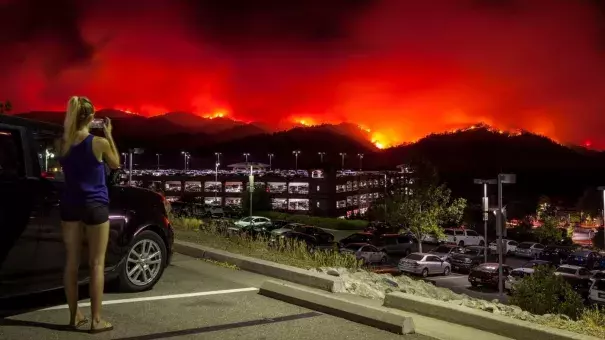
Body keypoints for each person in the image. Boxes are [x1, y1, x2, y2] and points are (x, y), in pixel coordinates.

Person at [59, 96, 120, 333]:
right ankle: (96, 321)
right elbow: (115, 164)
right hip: (95, 206)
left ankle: (74, 316)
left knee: (71, 263)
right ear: (92, 117)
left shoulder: (63, 143)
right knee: (96, 264)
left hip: (70, 205)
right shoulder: (99, 142)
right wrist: (110, 134)